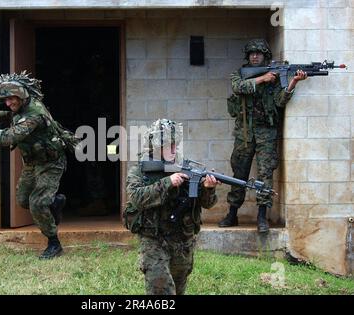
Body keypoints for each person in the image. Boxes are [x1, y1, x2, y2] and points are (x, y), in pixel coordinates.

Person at [0, 71, 68, 259]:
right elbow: (11, 114)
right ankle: (55, 202)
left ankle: (54, 244)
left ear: (21, 94)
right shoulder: (22, 107)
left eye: (11, 99)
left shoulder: (34, 114)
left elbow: (7, 137)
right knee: (23, 200)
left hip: (51, 162)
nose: (8, 103)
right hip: (32, 162)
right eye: (5, 100)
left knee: (37, 203)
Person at [219, 39, 307, 233]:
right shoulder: (240, 74)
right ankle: (232, 213)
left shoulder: (274, 78)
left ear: (265, 56)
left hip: (266, 132)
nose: (255, 56)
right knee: (239, 173)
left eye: (258, 53)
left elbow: (280, 101)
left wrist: (293, 82)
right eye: (252, 53)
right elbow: (238, 87)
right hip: (244, 132)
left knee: (265, 174)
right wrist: (262, 79)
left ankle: (261, 216)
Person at [125, 119, 219, 295]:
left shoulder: (186, 167)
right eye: (169, 144)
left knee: (178, 288)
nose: (174, 148)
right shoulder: (140, 171)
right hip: (154, 240)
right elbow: (137, 197)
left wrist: (209, 189)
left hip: (182, 240)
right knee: (160, 288)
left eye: (176, 144)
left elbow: (208, 204)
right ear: (156, 145)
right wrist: (167, 182)